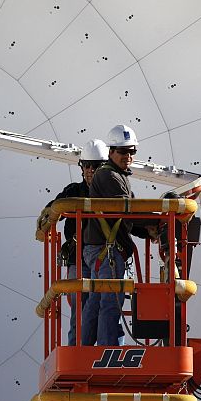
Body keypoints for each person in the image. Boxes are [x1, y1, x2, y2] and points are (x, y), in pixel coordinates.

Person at [81, 125, 153, 346]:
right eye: (123, 152)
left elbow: (125, 216)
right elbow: (127, 210)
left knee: (96, 300)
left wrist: (148, 228)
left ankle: (85, 349)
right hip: (107, 250)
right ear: (111, 152)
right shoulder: (110, 176)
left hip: (101, 249)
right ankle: (107, 349)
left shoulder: (115, 175)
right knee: (110, 302)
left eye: (132, 152)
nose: (128, 157)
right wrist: (156, 221)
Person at [42, 139, 107, 345]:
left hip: (106, 260)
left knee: (108, 309)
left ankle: (109, 351)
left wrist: (152, 229)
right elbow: (52, 209)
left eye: (95, 166)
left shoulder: (114, 193)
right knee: (80, 308)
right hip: (77, 260)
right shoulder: (72, 192)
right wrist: (46, 219)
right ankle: (79, 351)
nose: (89, 170)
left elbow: (134, 219)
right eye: (86, 165)